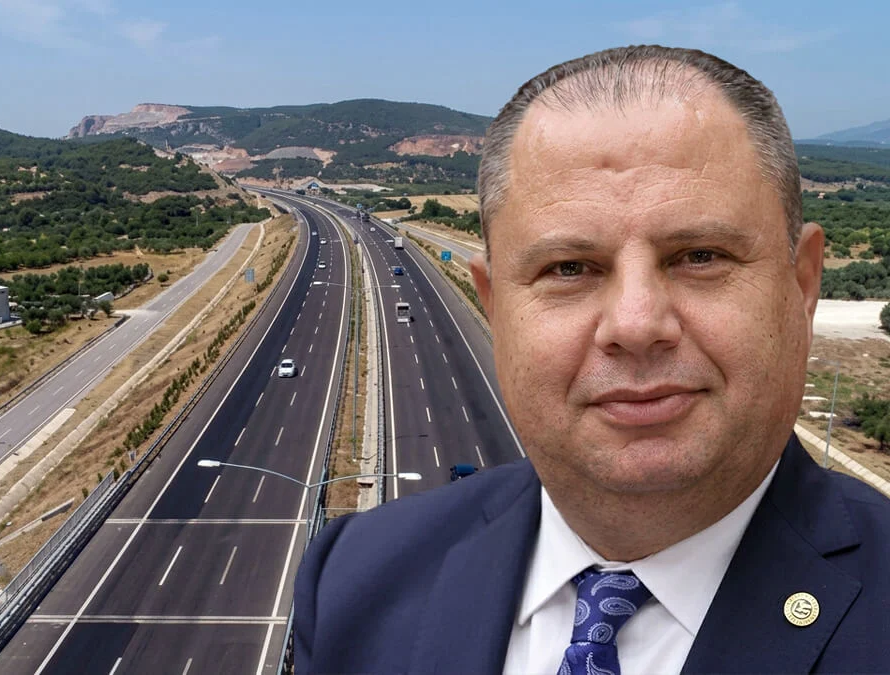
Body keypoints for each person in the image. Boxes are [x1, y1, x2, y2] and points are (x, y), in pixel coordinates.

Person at [293, 45, 890, 674]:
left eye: (700, 256)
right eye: (569, 268)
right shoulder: (356, 578)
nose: (635, 325)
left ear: (802, 284)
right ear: (494, 306)